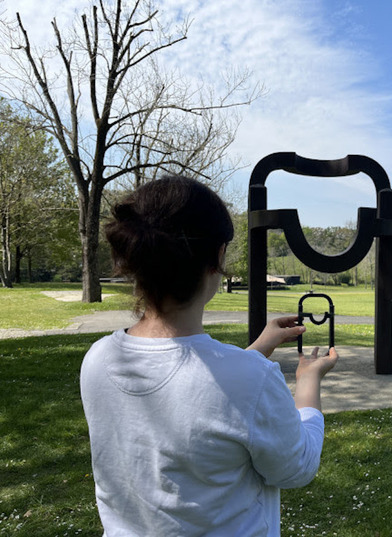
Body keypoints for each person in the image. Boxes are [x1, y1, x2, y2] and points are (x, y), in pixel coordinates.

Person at [80, 176, 338, 537]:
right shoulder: (250, 380)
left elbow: (197, 391)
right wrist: (308, 382)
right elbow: (296, 467)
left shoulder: (99, 360)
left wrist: (258, 348)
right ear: (217, 256)